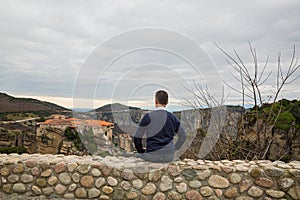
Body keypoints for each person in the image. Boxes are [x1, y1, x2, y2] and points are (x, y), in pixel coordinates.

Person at [133, 90, 186, 163]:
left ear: (156, 101)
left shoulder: (148, 116)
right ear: (167, 102)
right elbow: (183, 136)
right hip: (169, 156)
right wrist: (174, 148)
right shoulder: (173, 117)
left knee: (136, 155)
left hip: (152, 155)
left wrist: (141, 151)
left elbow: (137, 137)